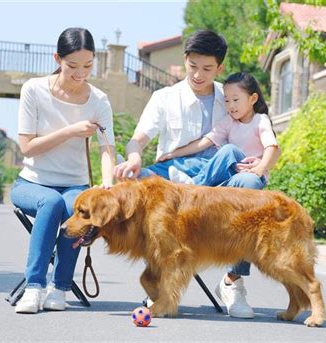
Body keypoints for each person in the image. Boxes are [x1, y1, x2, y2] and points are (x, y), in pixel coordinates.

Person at [114, 30, 263, 319]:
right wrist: (134, 156)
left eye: (207, 69)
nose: (198, 74)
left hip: (217, 186)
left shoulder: (230, 95)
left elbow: (254, 128)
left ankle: (233, 282)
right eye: (193, 66)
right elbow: (138, 139)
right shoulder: (164, 97)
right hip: (173, 183)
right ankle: (156, 278)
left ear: (220, 68)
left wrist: (257, 158)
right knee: (135, 184)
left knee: (250, 184)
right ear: (185, 60)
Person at [10, 27, 115, 314]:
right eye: (72, 66)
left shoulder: (99, 100)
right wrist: (70, 131)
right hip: (32, 183)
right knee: (52, 202)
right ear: (58, 58)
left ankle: (60, 288)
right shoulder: (34, 89)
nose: (81, 73)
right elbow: (27, 148)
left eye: (88, 65)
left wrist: (107, 185)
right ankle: (34, 287)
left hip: (75, 186)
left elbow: (108, 149)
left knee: (76, 208)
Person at [158, 72, 280, 188]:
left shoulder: (260, 120)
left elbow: (272, 147)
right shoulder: (229, 121)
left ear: (253, 99)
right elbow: (205, 142)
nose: (231, 105)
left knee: (249, 180)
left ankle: (196, 185)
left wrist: (260, 168)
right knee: (227, 152)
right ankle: (199, 185)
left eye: (235, 100)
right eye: (227, 100)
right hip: (231, 174)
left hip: (252, 172)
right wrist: (173, 153)